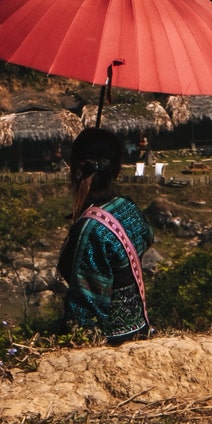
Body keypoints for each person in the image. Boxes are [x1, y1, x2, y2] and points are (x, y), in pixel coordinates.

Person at [56, 129, 151, 343]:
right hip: (139, 329)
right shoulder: (129, 208)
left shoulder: (91, 229)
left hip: (111, 341)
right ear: (117, 171)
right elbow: (148, 237)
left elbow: (82, 311)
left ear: (73, 170)